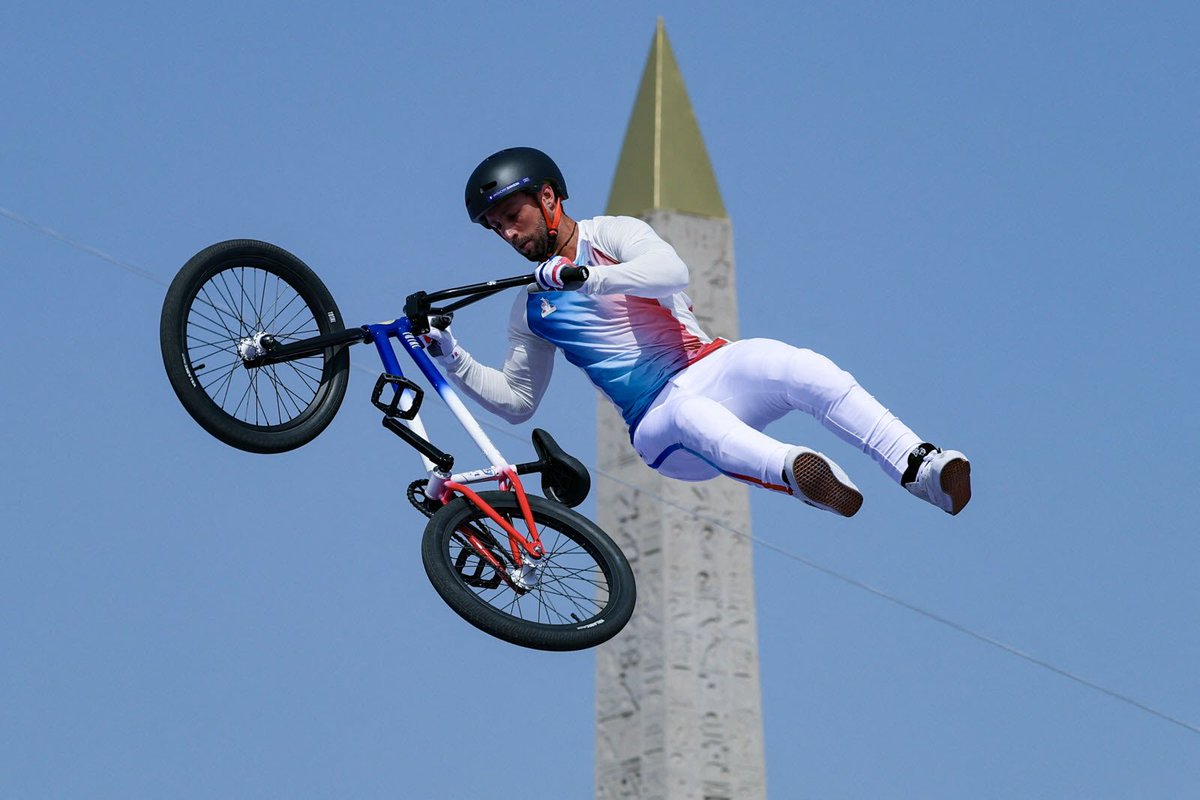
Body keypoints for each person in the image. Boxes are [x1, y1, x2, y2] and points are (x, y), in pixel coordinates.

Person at [425, 146, 971, 517]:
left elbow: (671, 273)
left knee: (793, 363)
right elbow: (519, 401)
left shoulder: (611, 235)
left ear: (548, 198)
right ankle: (799, 471)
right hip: (658, 425)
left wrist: (586, 276)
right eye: (495, 227)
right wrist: (452, 356)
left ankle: (919, 466)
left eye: (511, 214)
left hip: (710, 366)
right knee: (691, 413)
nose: (507, 232)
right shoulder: (530, 309)